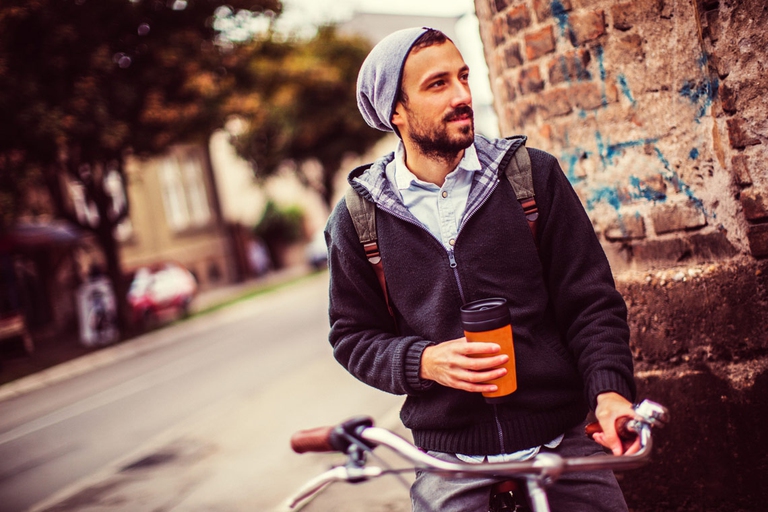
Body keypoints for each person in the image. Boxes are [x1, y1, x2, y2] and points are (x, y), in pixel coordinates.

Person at [325, 26, 638, 511]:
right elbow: (352, 336)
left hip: (564, 439)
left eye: (463, 77)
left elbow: (591, 304)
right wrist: (424, 362)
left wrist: (610, 394)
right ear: (395, 111)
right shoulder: (358, 219)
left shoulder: (532, 177)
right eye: (437, 84)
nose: (461, 95)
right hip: (450, 460)